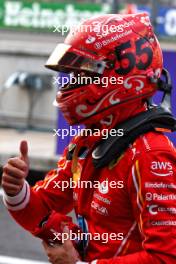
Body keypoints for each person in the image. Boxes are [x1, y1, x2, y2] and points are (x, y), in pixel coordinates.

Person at [2, 13, 176, 264]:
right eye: (72, 75)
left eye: (83, 74)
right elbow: (44, 206)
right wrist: (16, 190)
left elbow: (166, 257)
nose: (72, 84)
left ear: (120, 75)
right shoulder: (87, 143)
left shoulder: (149, 156)